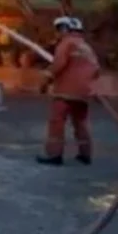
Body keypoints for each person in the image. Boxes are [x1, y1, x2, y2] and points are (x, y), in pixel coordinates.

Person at [37, 16, 101, 166]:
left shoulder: (66, 44)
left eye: (59, 30)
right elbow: (96, 69)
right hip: (83, 94)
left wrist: (45, 81)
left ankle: (54, 155)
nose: (57, 34)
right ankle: (85, 155)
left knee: (57, 123)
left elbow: (58, 65)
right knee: (80, 123)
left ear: (65, 29)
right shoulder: (86, 47)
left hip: (65, 92)